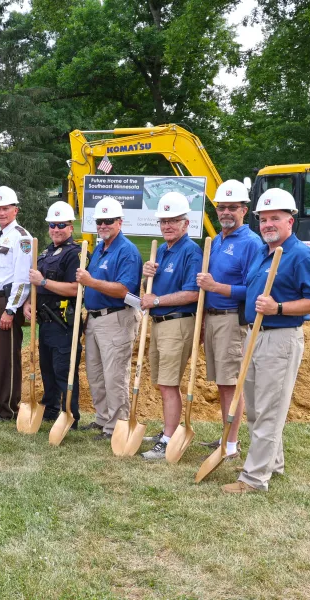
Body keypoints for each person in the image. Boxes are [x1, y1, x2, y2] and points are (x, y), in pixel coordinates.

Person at [222, 188, 310, 493]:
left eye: (275, 218)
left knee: (269, 409)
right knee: (256, 408)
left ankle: (254, 480)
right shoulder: (261, 252)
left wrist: (278, 307)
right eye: (264, 219)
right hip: (255, 336)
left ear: (290, 222)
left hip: (280, 339)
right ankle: (273, 463)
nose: (268, 224)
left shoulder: (301, 255)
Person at [195, 179, 264, 459]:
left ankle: (232, 445)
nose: (225, 212)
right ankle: (226, 437)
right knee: (222, 383)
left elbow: (255, 290)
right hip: (212, 319)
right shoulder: (218, 240)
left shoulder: (250, 243)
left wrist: (217, 288)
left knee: (231, 384)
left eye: (232, 207)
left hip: (231, 321)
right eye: (221, 207)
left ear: (244, 210)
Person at [138, 193, 203, 460]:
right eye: (164, 221)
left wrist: (157, 300)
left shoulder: (190, 251)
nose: (167, 226)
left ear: (186, 224)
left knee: (168, 383)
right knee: (162, 382)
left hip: (178, 323)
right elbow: (147, 293)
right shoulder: (161, 251)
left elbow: (193, 293)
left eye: (174, 221)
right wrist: (146, 278)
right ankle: (169, 430)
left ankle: (168, 439)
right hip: (159, 323)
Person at [75, 197, 142, 439]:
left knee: (114, 375)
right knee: (95, 373)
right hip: (94, 319)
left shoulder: (127, 251)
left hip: (116, 318)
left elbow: (125, 290)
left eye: (108, 221)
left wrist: (90, 282)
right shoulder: (101, 249)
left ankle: (117, 426)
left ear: (119, 222)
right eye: (99, 221)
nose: (103, 225)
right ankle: (103, 419)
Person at [23, 201, 85, 426]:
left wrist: (44, 282)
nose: (56, 229)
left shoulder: (74, 254)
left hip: (64, 323)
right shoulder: (46, 252)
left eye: (61, 225)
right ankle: (50, 409)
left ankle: (70, 414)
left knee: (64, 371)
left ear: (70, 227)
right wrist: (29, 302)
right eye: (52, 225)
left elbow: (74, 289)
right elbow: (36, 285)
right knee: (47, 369)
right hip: (46, 322)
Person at [0, 186, 34, 421]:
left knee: (7, 357)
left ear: (15, 210)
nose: (1, 212)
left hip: (6, 302)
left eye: (5, 208)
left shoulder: (21, 237)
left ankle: (10, 407)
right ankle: (0, 402)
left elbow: (22, 278)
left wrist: (11, 309)